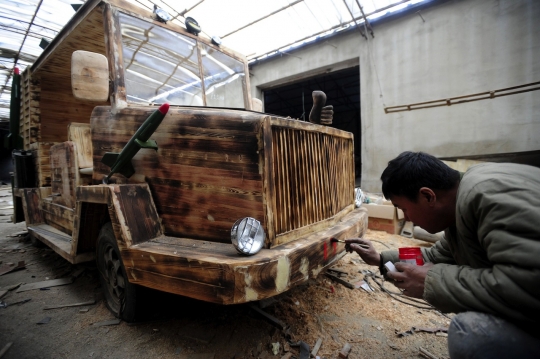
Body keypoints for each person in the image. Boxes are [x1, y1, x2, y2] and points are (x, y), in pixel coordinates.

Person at [345, 151, 540, 358]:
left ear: (428, 196)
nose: (407, 218)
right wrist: (381, 259)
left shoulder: (487, 197)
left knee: (470, 334)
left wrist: (432, 280)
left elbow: (526, 285)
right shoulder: (461, 205)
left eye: (404, 209)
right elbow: (435, 256)